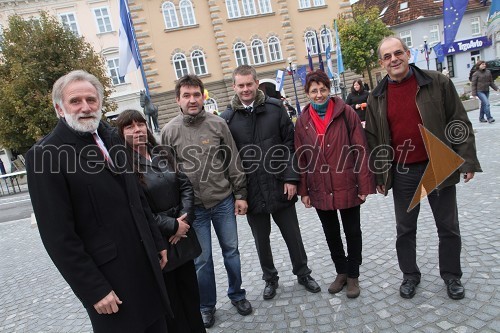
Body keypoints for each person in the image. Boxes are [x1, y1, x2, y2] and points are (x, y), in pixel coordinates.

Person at [25, 70, 171, 332]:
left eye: (91, 100)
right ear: (60, 108)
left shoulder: (110, 136)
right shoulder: (45, 154)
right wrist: (93, 289)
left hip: (144, 264)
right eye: (75, 101)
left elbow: (136, 197)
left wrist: (156, 240)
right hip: (109, 280)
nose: (85, 107)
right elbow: (58, 237)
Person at [365, 37, 482, 300]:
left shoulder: (436, 82)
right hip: (403, 170)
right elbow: (373, 138)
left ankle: (452, 277)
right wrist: (380, 174)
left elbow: (458, 120)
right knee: (405, 229)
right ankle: (410, 276)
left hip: (437, 164)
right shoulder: (376, 96)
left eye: (398, 53)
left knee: (448, 227)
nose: (394, 59)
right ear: (382, 63)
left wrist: (467, 160)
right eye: (387, 56)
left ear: (408, 53)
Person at [221, 65, 320, 301]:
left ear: (256, 83)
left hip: (280, 185)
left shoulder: (276, 109)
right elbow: (228, 159)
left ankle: (303, 273)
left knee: (293, 235)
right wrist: (239, 194)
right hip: (251, 191)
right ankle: (270, 279)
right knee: (261, 240)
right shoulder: (227, 119)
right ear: (234, 87)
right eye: (241, 85)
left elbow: (290, 145)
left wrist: (290, 177)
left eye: (249, 84)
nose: (245, 89)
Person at [161, 74, 251, 328]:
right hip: (193, 210)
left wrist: (240, 194)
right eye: (186, 95)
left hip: (222, 201)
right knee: (202, 261)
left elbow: (232, 160)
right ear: (178, 100)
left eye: (196, 95)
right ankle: (206, 306)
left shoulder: (218, 124)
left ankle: (237, 294)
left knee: (231, 252)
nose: (192, 100)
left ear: (203, 96)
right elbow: (166, 174)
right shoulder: (169, 132)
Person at [116, 109, 206, 333]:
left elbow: (185, 185)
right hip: (159, 241)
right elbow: (137, 208)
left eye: (140, 124)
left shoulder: (163, 153)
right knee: (172, 303)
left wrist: (183, 222)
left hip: (183, 236)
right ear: (121, 133)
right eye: (129, 126)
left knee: (191, 295)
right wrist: (172, 226)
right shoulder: (124, 165)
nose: (137, 130)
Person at [294, 70, 375, 299]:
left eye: (322, 89)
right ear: (307, 93)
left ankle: (353, 275)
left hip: (347, 181)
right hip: (319, 186)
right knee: (331, 233)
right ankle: (341, 271)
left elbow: (360, 148)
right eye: (314, 91)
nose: (319, 95)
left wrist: (363, 185)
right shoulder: (303, 121)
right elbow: (301, 157)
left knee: (352, 231)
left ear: (329, 89)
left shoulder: (346, 112)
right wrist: (304, 191)